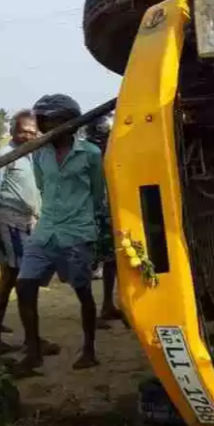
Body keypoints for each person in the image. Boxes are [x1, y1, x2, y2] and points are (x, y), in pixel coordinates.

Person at [14, 94, 105, 374]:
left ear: (69, 122)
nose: (44, 126)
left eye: (50, 120)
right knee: (24, 286)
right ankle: (33, 352)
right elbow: (42, 187)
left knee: (83, 293)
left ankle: (89, 348)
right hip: (46, 232)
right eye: (42, 121)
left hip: (77, 233)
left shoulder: (90, 153)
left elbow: (97, 192)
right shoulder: (39, 152)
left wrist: (93, 226)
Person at [0, 111, 40, 356]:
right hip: (11, 223)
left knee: (15, 279)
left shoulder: (32, 156)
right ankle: (24, 340)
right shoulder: (4, 155)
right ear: (14, 131)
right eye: (23, 130)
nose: (27, 135)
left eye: (31, 131)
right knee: (17, 280)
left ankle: (27, 337)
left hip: (29, 223)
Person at [84, 115, 120, 326]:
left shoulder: (111, 150)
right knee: (89, 262)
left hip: (108, 213)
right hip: (89, 215)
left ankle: (107, 305)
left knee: (111, 261)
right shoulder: (86, 154)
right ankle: (90, 312)